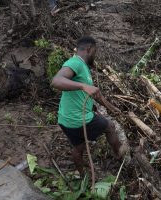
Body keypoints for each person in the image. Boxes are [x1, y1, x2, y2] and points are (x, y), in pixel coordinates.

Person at [51, 36, 128, 175]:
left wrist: (111, 108)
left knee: (78, 146)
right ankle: (118, 154)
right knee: (109, 127)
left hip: (64, 119)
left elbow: (94, 94)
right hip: (78, 119)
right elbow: (56, 81)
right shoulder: (76, 63)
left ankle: (82, 175)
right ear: (89, 49)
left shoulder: (82, 67)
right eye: (95, 51)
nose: (95, 55)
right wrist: (82, 86)